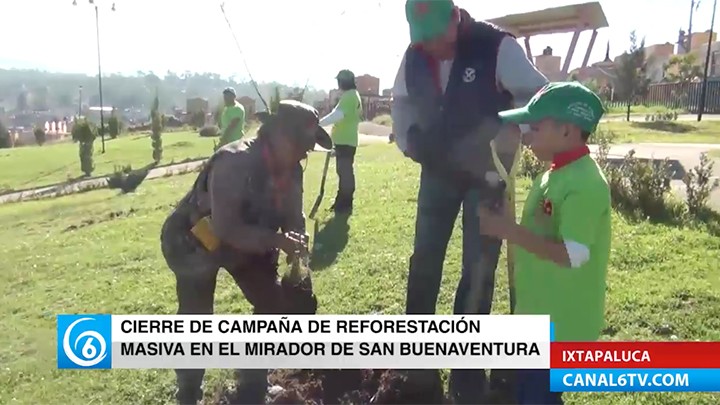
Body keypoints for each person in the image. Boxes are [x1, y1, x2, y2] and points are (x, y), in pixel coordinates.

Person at [390, 0, 548, 402]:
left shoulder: (497, 47)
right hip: (437, 174)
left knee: (477, 270)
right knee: (424, 261)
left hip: (488, 178)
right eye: (419, 38)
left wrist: (515, 131)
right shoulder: (414, 55)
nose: (427, 46)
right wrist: (410, 140)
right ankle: (416, 362)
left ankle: (466, 372)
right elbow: (402, 102)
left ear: (455, 17)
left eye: (433, 37)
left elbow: (537, 97)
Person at [160, 99, 333, 405]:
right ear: (280, 136)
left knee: (272, 301)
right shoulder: (234, 162)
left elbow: (295, 215)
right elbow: (227, 228)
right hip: (195, 239)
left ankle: (253, 383)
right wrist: (278, 242)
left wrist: (299, 240)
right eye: (303, 144)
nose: (306, 153)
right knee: (196, 320)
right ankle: (188, 394)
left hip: (249, 242)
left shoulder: (293, 170)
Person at [478, 82, 612, 404]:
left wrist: (506, 230)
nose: (527, 135)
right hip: (539, 315)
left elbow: (573, 254)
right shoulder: (551, 175)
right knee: (528, 391)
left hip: (562, 325)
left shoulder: (585, 185)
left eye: (535, 127)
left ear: (566, 131)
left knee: (537, 396)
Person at [319, 69, 363, 213]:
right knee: (344, 172)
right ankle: (342, 202)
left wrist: (318, 124)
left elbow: (337, 115)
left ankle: (344, 203)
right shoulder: (351, 95)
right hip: (345, 140)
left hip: (345, 141)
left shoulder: (350, 96)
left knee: (345, 173)